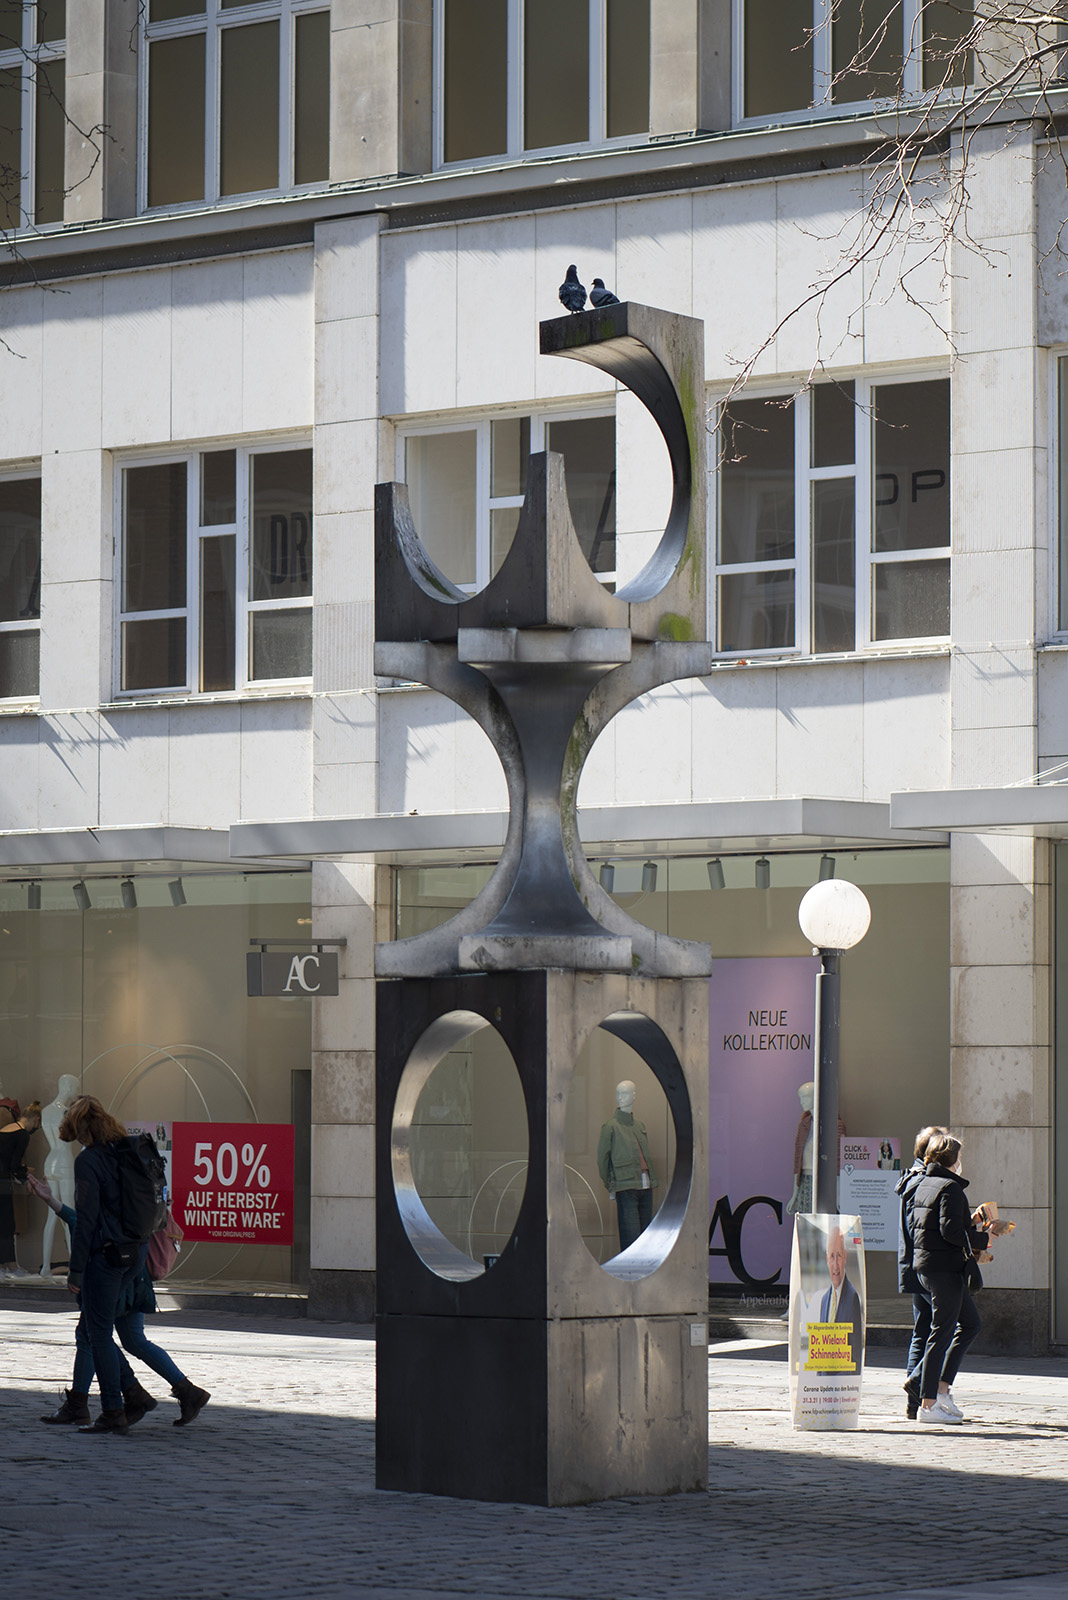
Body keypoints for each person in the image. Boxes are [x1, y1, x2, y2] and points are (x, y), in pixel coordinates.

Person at [27, 1171, 210, 1429]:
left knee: (90, 1335)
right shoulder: (126, 1183)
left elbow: (89, 1226)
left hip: (116, 1276)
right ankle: (186, 1392)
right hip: (136, 1277)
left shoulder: (108, 1179)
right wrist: (53, 1202)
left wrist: (54, 1204)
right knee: (132, 1339)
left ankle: (93, 1402)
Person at [911, 1131, 988, 1425]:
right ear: (953, 1159)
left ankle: (941, 1390)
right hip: (943, 1268)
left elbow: (941, 1224)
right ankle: (928, 1404)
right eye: (960, 1157)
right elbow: (951, 1233)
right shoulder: (951, 1188)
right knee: (941, 1333)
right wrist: (982, 1238)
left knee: (970, 1324)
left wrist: (971, 1223)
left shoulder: (928, 1183)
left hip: (932, 1265)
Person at [897, 1124, 946, 1419]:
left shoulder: (911, 1178)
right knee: (948, 1328)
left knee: (923, 1330)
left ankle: (913, 1402)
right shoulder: (922, 1182)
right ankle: (916, 1382)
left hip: (914, 1264)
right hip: (926, 1266)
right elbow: (925, 1229)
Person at [597, 1080, 658, 1251]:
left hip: (646, 1185)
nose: (620, 1097)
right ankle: (630, 1275)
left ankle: (644, 1274)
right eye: (618, 1093)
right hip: (625, 1186)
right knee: (631, 1238)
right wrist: (611, 1184)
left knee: (646, 1237)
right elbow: (603, 1159)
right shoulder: (610, 1127)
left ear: (634, 1096)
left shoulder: (640, 1126)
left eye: (624, 1093)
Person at [0, 1100, 42, 1273]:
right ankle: (10, 1264)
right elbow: (14, 1166)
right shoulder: (22, 1135)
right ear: (36, 1120)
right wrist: (27, 1173)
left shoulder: (4, 1130)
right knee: (7, 1223)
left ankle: (2, 1265)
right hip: (2, 1182)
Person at [817, 1225, 863, 1370]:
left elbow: (855, 1353)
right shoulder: (825, 1300)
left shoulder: (852, 1297)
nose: (835, 1265)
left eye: (839, 1256)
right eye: (832, 1256)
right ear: (826, 1259)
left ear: (845, 1258)